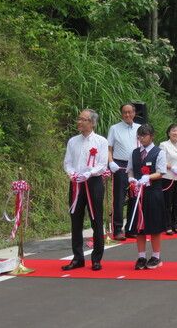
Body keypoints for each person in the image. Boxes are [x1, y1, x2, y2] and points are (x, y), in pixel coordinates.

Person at [62, 109, 108, 271]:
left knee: (96, 219)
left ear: (93, 122)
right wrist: (71, 173)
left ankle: (96, 258)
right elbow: (67, 162)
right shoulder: (73, 141)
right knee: (76, 220)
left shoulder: (101, 141)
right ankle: (78, 257)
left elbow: (103, 164)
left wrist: (90, 173)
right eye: (79, 119)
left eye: (84, 119)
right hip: (76, 184)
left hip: (93, 182)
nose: (79, 122)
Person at [127, 124, 166, 269]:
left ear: (152, 136)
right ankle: (141, 257)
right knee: (139, 226)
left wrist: (148, 177)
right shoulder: (135, 152)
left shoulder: (158, 152)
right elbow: (130, 170)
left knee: (154, 225)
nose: (142, 138)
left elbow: (161, 172)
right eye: (140, 135)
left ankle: (156, 256)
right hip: (138, 194)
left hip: (153, 192)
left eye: (145, 135)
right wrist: (131, 179)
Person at [107, 103, 141, 240]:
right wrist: (111, 162)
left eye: (129, 112)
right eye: (124, 112)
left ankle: (131, 228)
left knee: (135, 197)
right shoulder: (114, 128)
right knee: (119, 198)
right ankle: (117, 229)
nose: (127, 115)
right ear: (121, 114)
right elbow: (108, 148)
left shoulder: (140, 128)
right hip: (120, 165)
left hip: (136, 165)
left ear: (134, 113)